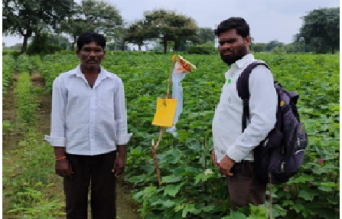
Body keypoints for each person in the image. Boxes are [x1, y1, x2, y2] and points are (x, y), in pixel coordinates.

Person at [45, 32, 132, 219]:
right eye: (87, 50)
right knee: (75, 206)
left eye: (97, 50)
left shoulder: (114, 82)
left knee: (106, 205)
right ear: (78, 53)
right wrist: (60, 157)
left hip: (106, 153)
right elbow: (58, 120)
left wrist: (121, 155)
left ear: (104, 54)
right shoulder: (63, 81)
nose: (92, 55)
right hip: (75, 153)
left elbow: (120, 119)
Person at [211, 17, 277, 211]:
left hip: (246, 163)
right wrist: (220, 149)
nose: (225, 47)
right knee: (239, 210)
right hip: (234, 161)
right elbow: (232, 118)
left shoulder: (257, 72)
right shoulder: (235, 73)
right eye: (221, 43)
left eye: (231, 41)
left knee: (246, 212)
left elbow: (263, 122)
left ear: (247, 40)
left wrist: (231, 156)